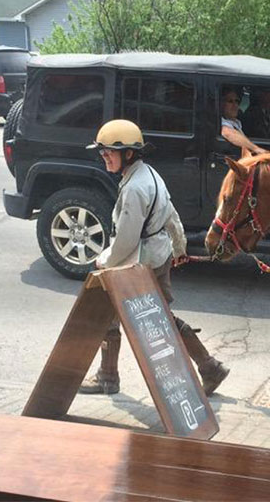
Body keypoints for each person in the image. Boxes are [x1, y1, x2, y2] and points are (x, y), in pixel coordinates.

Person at [79, 119, 230, 396]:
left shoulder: (135, 188)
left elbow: (126, 239)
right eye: (102, 152)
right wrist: (179, 247)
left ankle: (107, 378)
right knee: (160, 318)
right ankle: (209, 366)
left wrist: (104, 260)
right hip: (157, 257)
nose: (104, 157)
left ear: (128, 154)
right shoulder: (149, 174)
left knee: (119, 316)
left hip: (137, 264)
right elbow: (171, 216)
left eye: (109, 152)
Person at [219, 86, 267, 155]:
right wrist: (257, 149)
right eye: (230, 101)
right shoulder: (222, 122)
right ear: (221, 104)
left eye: (237, 101)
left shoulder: (236, 123)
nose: (235, 105)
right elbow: (227, 133)